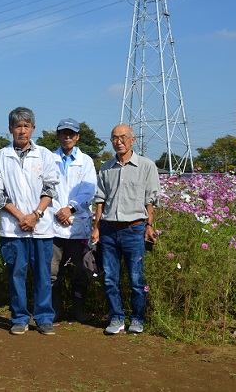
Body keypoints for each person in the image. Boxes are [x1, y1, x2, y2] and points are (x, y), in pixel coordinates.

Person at [0, 107, 59, 335]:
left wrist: (35, 215)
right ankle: (19, 317)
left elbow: (50, 188)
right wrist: (21, 217)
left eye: (26, 126)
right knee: (16, 274)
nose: (22, 130)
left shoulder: (46, 155)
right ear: (10, 129)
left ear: (33, 129)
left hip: (41, 227)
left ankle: (44, 317)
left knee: (43, 275)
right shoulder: (0, 156)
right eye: (18, 126)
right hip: (13, 229)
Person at [91, 124, 160, 335]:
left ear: (133, 140)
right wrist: (96, 228)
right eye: (114, 138)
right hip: (109, 229)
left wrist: (149, 226)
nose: (118, 141)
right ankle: (116, 317)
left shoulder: (146, 166)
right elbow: (100, 200)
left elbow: (151, 200)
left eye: (123, 137)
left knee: (136, 278)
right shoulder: (106, 167)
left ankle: (137, 319)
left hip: (134, 229)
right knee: (110, 277)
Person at [50, 118, 97, 322]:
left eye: (71, 134)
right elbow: (45, 189)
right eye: (63, 133)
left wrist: (70, 209)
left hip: (77, 224)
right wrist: (58, 212)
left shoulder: (86, 161)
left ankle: (78, 310)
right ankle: (56, 310)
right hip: (53, 224)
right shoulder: (49, 158)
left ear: (77, 137)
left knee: (78, 270)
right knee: (53, 271)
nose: (67, 137)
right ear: (58, 136)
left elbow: (89, 190)